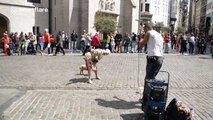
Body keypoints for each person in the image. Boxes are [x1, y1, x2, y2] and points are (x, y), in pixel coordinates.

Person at [139, 23, 164, 110]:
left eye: (144, 29)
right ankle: (154, 96)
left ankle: (145, 99)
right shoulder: (159, 34)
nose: (144, 31)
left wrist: (141, 39)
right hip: (160, 58)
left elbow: (141, 45)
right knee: (152, 78)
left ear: (147, 28)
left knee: (148, 79)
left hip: (152, 58)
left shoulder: (149, 33)